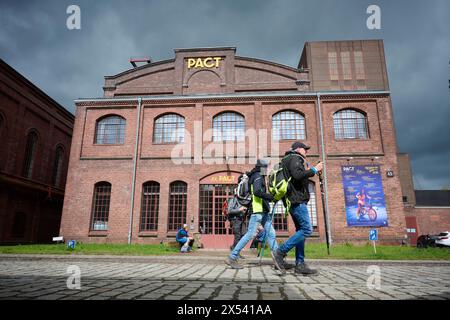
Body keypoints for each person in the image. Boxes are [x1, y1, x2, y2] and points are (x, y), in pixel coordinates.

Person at [272, 141, 323, 275]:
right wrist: (314, 170)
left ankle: (300, 264)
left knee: (301, 231)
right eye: (305, 149)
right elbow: (297, 175)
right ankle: (280, 251)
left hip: (292, 201)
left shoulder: (287, 159)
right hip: (297, 200)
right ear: (298, 149)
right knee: (307, 229)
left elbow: (296, 177)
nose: (306, 151)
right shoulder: (295, 158)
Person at [225, 159, 279, 269]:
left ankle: (279, 258)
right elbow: (257, 191)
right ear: (262, 167)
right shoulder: (258, 175)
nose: (267, 170)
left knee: (271, 233)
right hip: (257, 211)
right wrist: (270, 197)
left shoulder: (257, 175)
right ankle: (232, 257)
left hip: (263, 211)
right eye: (266, 167)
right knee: (250, 234)